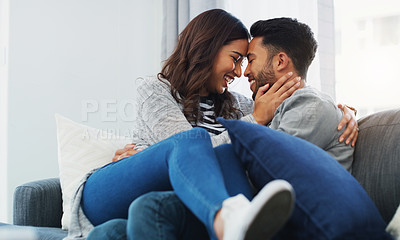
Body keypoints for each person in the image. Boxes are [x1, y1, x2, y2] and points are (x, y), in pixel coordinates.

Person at [84, 14, 363, 240]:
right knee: (191, 142)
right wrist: (256, 119)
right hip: (114, 186)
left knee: (111, 233)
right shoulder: (156, 91)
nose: (241, 71)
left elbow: (304, 105)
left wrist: (343, 111)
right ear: (207, 49)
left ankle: (227, 219)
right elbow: (187, 150)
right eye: (236, 58)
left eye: (246, 60)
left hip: (169, 200)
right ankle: (226, 218)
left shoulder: (240, 105)